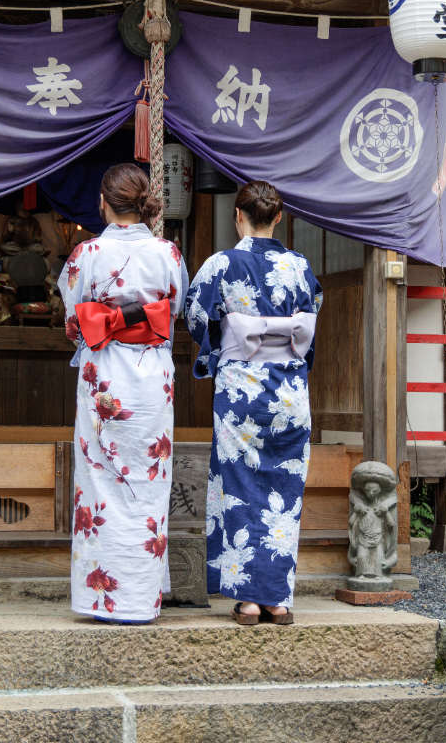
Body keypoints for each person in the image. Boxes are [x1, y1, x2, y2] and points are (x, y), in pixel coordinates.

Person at [184, 181, 322, 625]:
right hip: (289, 391)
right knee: (285, 492)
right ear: (278, 218)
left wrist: (220, 348)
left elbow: (194, 315)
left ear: (237, 216)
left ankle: (247, 601)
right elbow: (312, 314)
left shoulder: (222, 263)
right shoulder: (300, 266)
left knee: (240, 485)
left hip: (241, 390)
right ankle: (277, 600)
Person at [59, 163, 189, 623]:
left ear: (103, 202)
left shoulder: (87, 253)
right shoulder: (169, 254)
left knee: (99, 482)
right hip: (151, 375)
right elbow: (175, 307)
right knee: (148, 483)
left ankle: (103, 599)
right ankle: (139, 599)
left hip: (105, 376)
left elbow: (74, 319)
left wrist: (102, 322)